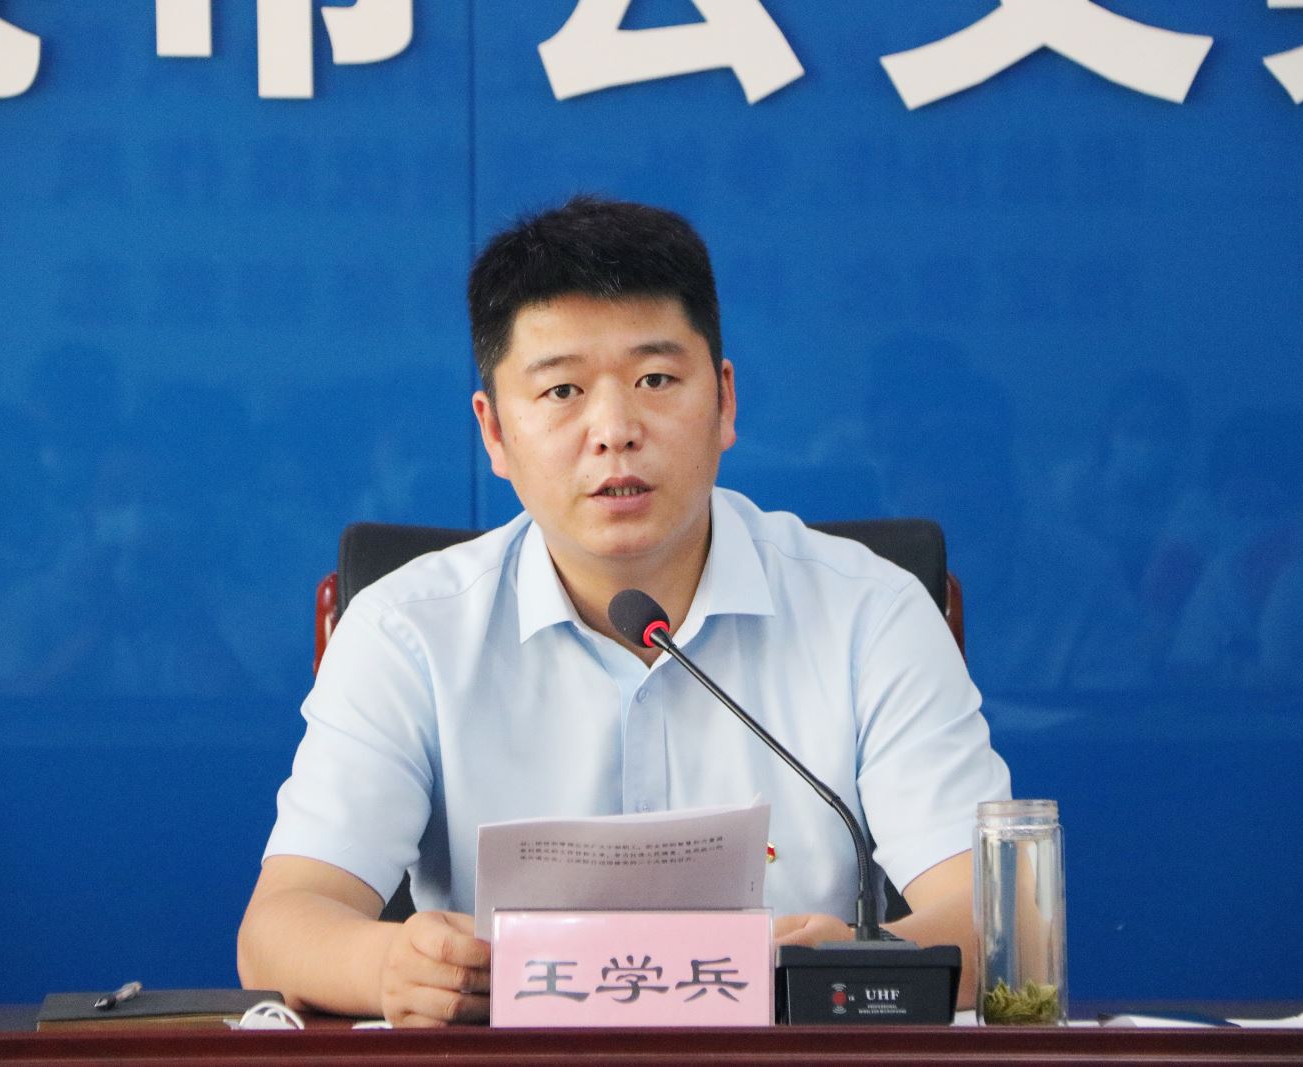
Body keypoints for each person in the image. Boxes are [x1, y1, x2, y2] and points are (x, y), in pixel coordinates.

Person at [238, 197, 1010, 1026]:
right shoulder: (410, 631)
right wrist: (393, 966)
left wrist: (851, 964)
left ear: (725, 401)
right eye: (562, 389)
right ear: (494, 433)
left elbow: (994, 919)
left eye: (655, 380)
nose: (614, 429)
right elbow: (281, 924)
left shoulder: (869, 613)